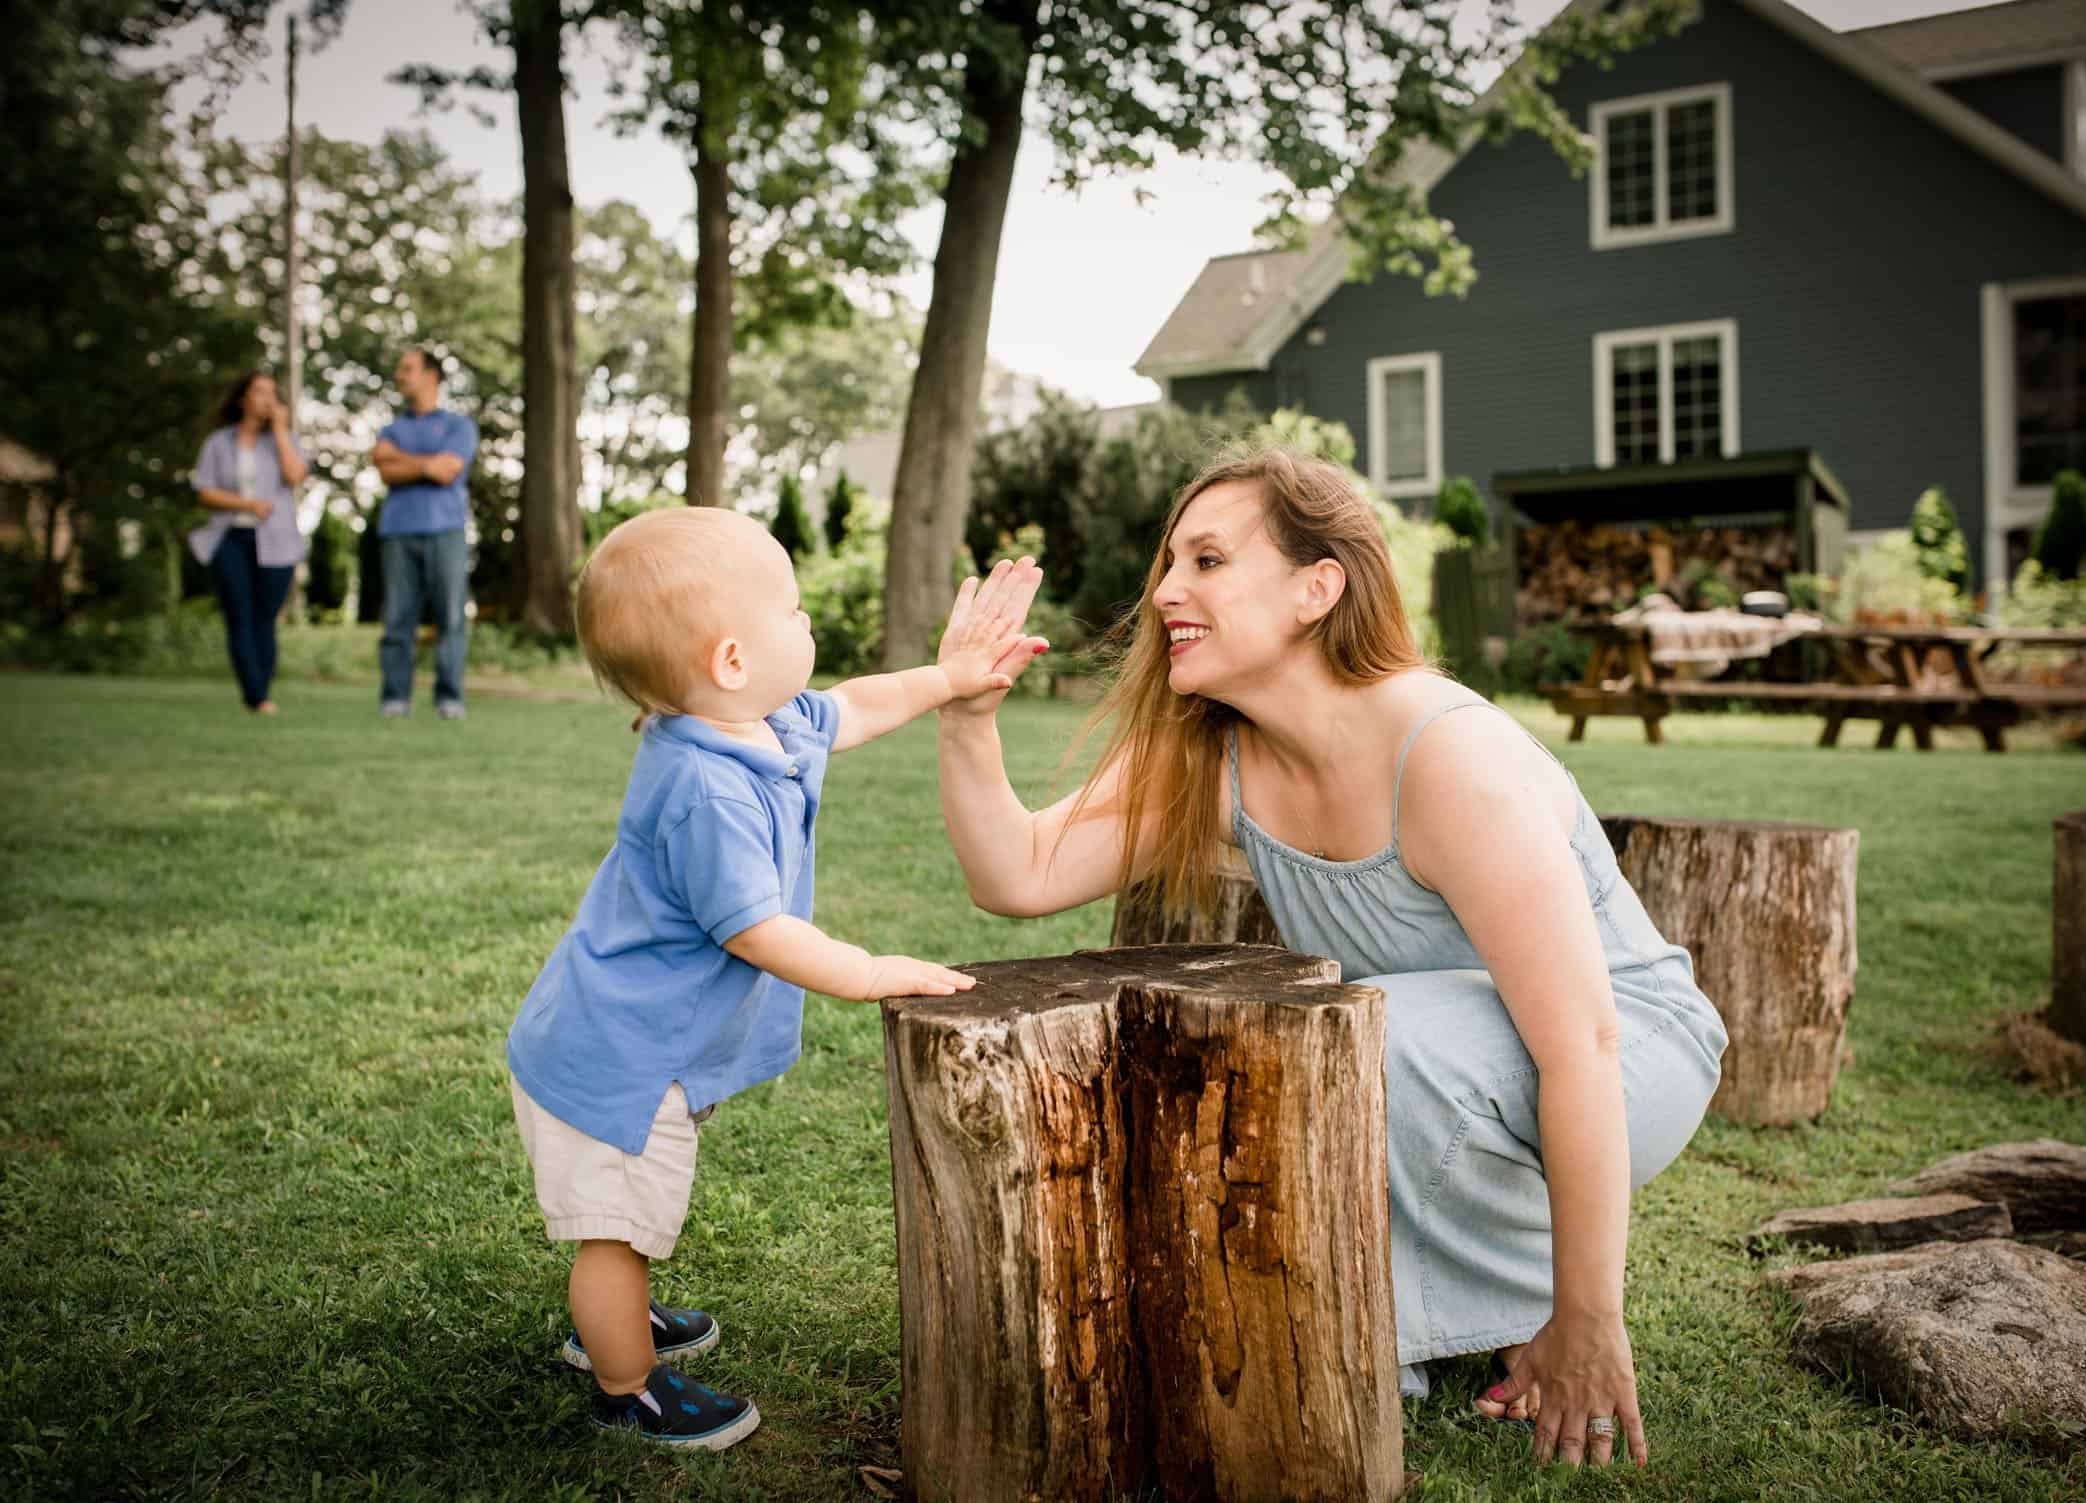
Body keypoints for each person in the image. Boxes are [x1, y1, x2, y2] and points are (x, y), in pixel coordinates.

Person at [934, 447, 1729, 1470]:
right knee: (1334, 1037)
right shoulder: (1216, 750)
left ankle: (1474, 1310)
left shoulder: (1447, 757)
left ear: (1318, 588)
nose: (1166, 591)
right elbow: (1018, 873)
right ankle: (1381, 1321)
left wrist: (1587, 1317)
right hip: (1436, 1049)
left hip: (1629, 1058)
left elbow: (1582, 1041)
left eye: (1209, 561)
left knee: (1345, 1035)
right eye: (1169, 562)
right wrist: (966, 717)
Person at [505, 506, 1038, 1449]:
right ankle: (627, 1381)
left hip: (633, 1042)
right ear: (731, 661)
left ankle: (620, 1313)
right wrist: (872, 969)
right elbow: (756, 929)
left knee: (627, 1220)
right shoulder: (705, 787)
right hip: (617, 1062)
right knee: (614, 1229)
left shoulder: (762, 722)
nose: (809, 624)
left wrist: (951, 678)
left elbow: (861, 704)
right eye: (791, 609)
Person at [188, 370, 309, 715]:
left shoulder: (285, 441)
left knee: (264, 618)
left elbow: (295, 476)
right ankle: (255, 696)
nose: (267, 399)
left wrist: (282, 430)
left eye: (273, 393)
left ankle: (261, 689)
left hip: (277, 541)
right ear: (243, 399)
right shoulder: (218, 443)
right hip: (231, 537)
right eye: (259, 392)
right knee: (239, 616)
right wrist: (247, 505)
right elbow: (205, 492)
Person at [369, 347, 478, 720]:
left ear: (431, 376)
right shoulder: (391, 428)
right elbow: (383, 468)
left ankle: (449, 698)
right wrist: (426, 464)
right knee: (398, 618)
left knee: (450, 618)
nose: (400, 375)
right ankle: (394, 698)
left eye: (407, 369)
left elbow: (447, 471)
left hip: (446, 530)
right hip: (399, 532)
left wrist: (402, 460)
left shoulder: (458, 426)